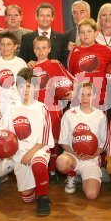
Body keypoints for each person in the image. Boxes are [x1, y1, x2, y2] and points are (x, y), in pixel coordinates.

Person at [0, 68, 54, 217]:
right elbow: (0, 129)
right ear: (17, 88)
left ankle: (43, 196)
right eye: (22, 86)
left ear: (36, 87)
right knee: (26, 197)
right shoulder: (12, 108)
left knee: (39, 163)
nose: (25, 90)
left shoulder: (42, 108)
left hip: (38, 150)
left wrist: (31, 152)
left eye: (29, 86)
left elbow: (45, 138)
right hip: (18, 154)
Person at [32, 36, 74, 184]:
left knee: (54, 141)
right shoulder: (30, 68)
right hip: (36, 111)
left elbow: (72, 81)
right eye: (37, 48)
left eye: (44, 47)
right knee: (40, 140)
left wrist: (72, 93)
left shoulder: (56, 65)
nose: (41, 51)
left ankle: (52, 171)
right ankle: (40, 168)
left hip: (54, 109)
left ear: (49, 49)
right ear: (33, 50)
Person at [56, 82, 107, 199]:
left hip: (91, 159)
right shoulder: (69, 114)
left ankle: (86, 177)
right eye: (82, 94)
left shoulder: (100, 116)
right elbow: (63, 141)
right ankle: (72, 175)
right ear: (77, 95)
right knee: (61, 162)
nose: (85, 98)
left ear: (94, 96)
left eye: (88, 95)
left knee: (92, 195)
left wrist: (95, 153)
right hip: (72, 156)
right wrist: (73, 153)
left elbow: (104, 143)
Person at [68, 18, 111, 109]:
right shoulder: (74, 52)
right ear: (79, 34)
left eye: (89, 31)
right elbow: (70, 76)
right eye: (82, 32)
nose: (85, 34)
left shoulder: (105, 49)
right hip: (79, 101)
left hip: (99, 100)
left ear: (96, 33)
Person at [19, 3, 67, 68]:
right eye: (42, 15)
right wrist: (28, 64)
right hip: (34, 76)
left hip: (55, 76)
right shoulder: (27, 38)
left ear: (52, 18)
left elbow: (65, 61)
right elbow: (21, 61)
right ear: (36, 17)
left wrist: (59, 64)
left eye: (48, 16)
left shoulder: (62, 38)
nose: (45, 18)